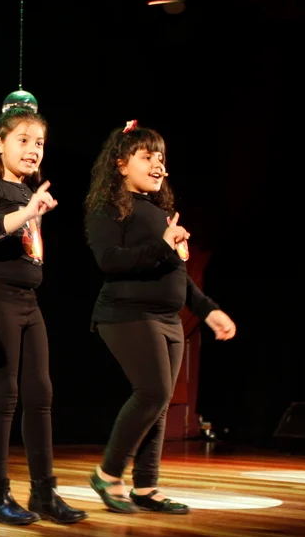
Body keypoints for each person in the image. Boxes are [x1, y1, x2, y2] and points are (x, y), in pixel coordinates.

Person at [84, 120, 237, 515]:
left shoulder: (159, 212)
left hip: (168, 318)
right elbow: (110, 261)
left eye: (161, 158)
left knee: (160, 402)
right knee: (152, 392)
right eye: (147, 157)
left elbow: (178, 275)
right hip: (127, 313)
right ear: (121, 164)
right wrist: (162, 245)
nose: (158, 165)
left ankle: (146, 486)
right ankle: (108, 473)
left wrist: (208, 310)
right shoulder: (108, 208)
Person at [0, 107, 86, 525]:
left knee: (40, 395)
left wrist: (31, 209)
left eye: (40, 143)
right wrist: (26, 213)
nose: (33, 149)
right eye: (23, 140)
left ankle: (44, 493)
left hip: (28, 301)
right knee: (3, 397)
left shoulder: (27, 190)